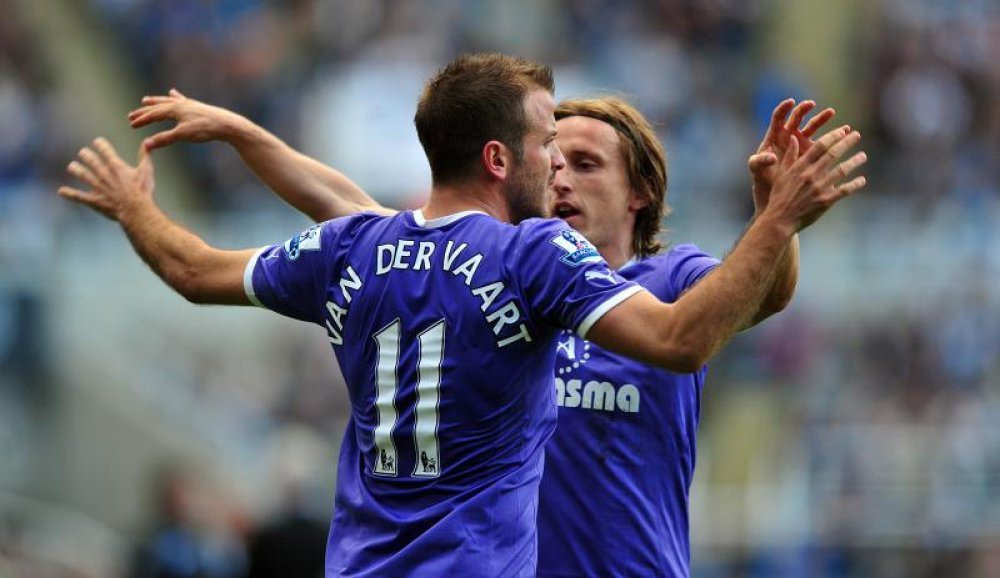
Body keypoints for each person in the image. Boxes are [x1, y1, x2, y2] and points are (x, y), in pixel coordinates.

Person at [61, 53, 865, 577]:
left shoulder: (370, 250)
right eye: (551, 146)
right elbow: (684, 339)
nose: (559, 169)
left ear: (641, 192)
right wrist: (780, 216)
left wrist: (196, 165)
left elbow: (207, 263)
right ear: (499, 158)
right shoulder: (532, 261)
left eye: (584, 161)